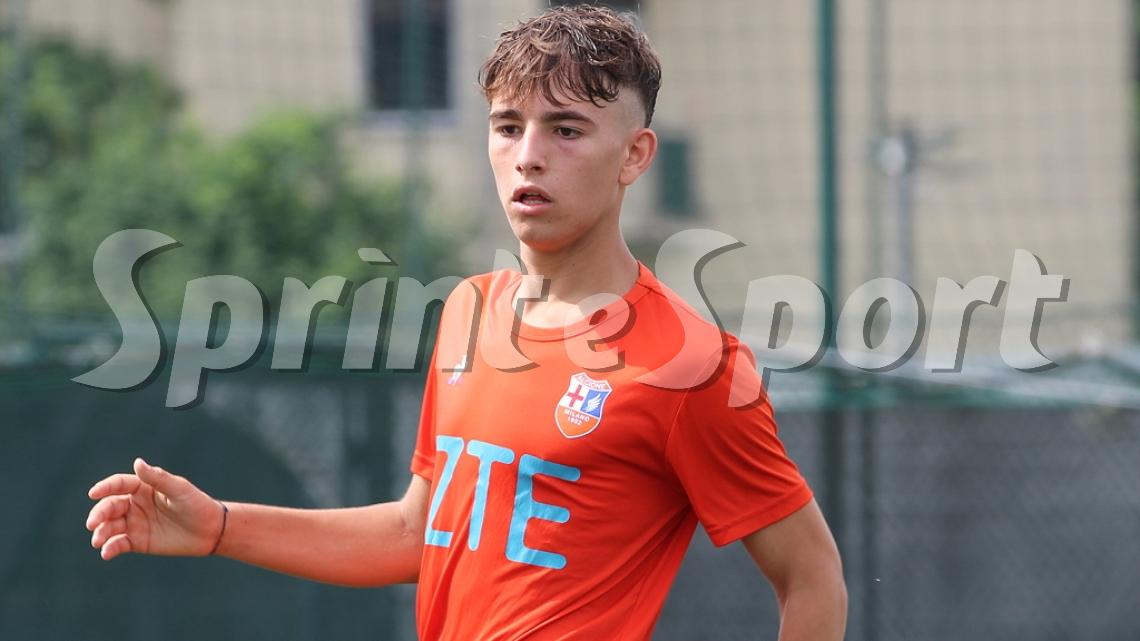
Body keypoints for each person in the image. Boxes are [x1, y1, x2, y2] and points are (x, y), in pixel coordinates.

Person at [85, 5, 847, 640]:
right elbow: (416, 531)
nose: (529, 156)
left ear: (635, 155)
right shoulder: (468, 311)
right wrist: (220, 525)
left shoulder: (692, 363)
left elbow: (812, 577)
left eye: (567, 130)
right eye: (508, 126)